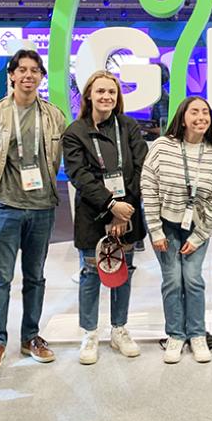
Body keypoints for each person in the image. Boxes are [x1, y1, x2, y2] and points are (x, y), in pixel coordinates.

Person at [0, 49, 67, 373]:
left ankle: (31, 337)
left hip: (42, 208)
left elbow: (56, 160)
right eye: (22, 69)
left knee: (35, 278)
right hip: (4, 208)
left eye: (34, 70)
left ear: (41, 76)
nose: (28, 75)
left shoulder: (54, 116)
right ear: (11, 75)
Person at [62, 70, 148, 365]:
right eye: (100, 91)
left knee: (122, 273)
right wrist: (111, 205)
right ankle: (89, 333)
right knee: (90, 275)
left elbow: (140, 168)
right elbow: (80, 175)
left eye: (111, 92)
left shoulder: (129, 127)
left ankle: (119, 329)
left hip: (127, 213)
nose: (106, 97)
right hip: (93, 213)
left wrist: (124, 209)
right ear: (89, 95)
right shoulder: (75, 132)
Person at [142, 97, 212, 364]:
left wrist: (200, 235)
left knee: (192, 278)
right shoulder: (162, 146)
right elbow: (148, 186)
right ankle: (176, 335)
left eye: (206, 112)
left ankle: (197, 334)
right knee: (172, 280)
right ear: (182, 116)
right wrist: (155, 230)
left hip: (196, 226)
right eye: (195, 112)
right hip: (165, 224)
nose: (201, 116)